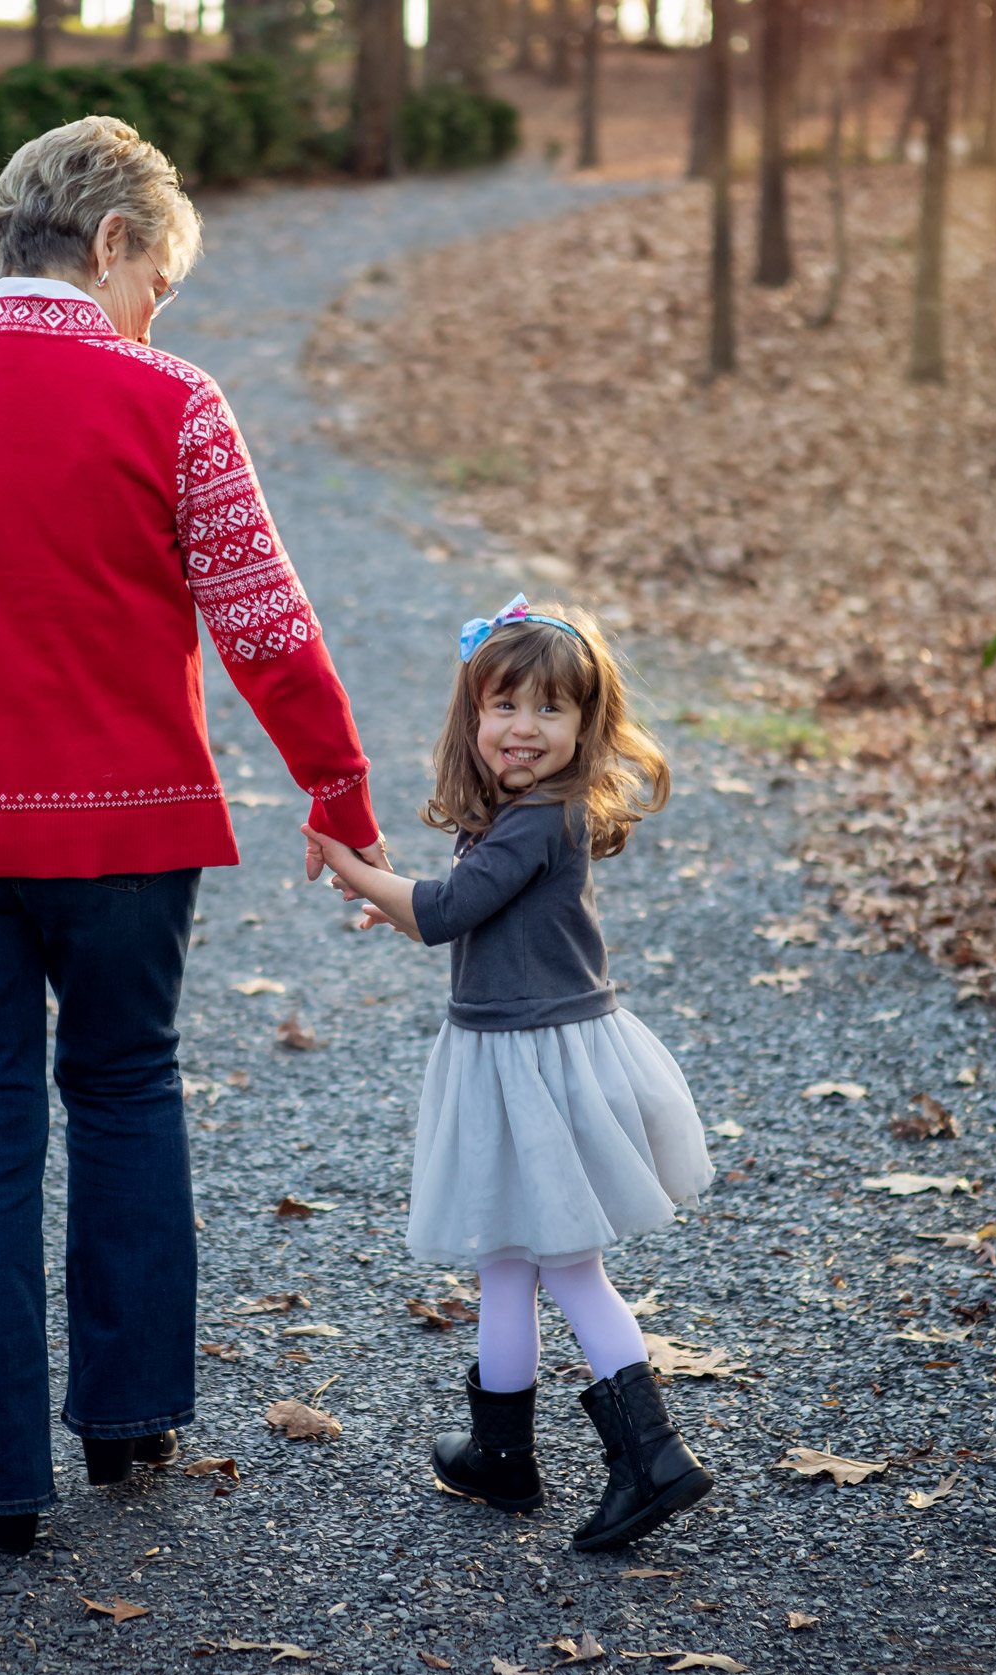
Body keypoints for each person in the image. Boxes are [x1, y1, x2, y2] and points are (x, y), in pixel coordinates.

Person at [0, 115, 386, 1552]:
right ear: (113, 242)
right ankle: (129, 1423)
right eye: (158, 282)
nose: (156, 315)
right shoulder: (171, 401)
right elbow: (265, 622)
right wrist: (338, 789)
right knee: (124, 1091)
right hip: (128, 834)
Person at [303, 594, 714, 1552]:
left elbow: (447, 909)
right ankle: (499, 1454)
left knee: (567, 1264)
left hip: (539, 1065)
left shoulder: (544, 817)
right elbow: (461, 911)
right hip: (511, 1054)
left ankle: (653, 1455)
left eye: (549, 710)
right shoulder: (510, 815)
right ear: (472, 714)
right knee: (504, 1258)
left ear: (586, 726)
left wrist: (351, 868)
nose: (523, 728)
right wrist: (397, 905)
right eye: (503, 706)